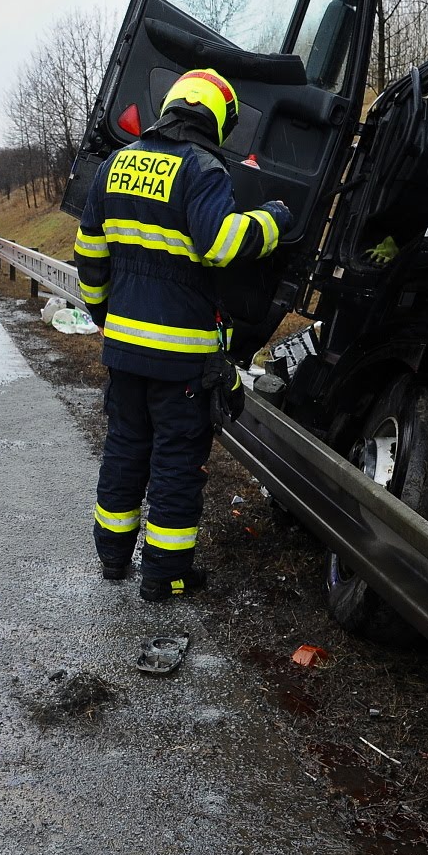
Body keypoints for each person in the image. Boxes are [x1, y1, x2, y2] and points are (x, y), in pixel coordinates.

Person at [74, 68, 290, 603]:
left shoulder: (116, 164)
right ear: (216, 118)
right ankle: (164, 574)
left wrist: (104, 315)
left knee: (125, 448)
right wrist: (273, 220)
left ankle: (113, 556)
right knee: (175, 461)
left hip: (124, 349)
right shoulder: (202, 168)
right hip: (180, 359)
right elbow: (221, 244)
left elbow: (89, 251)